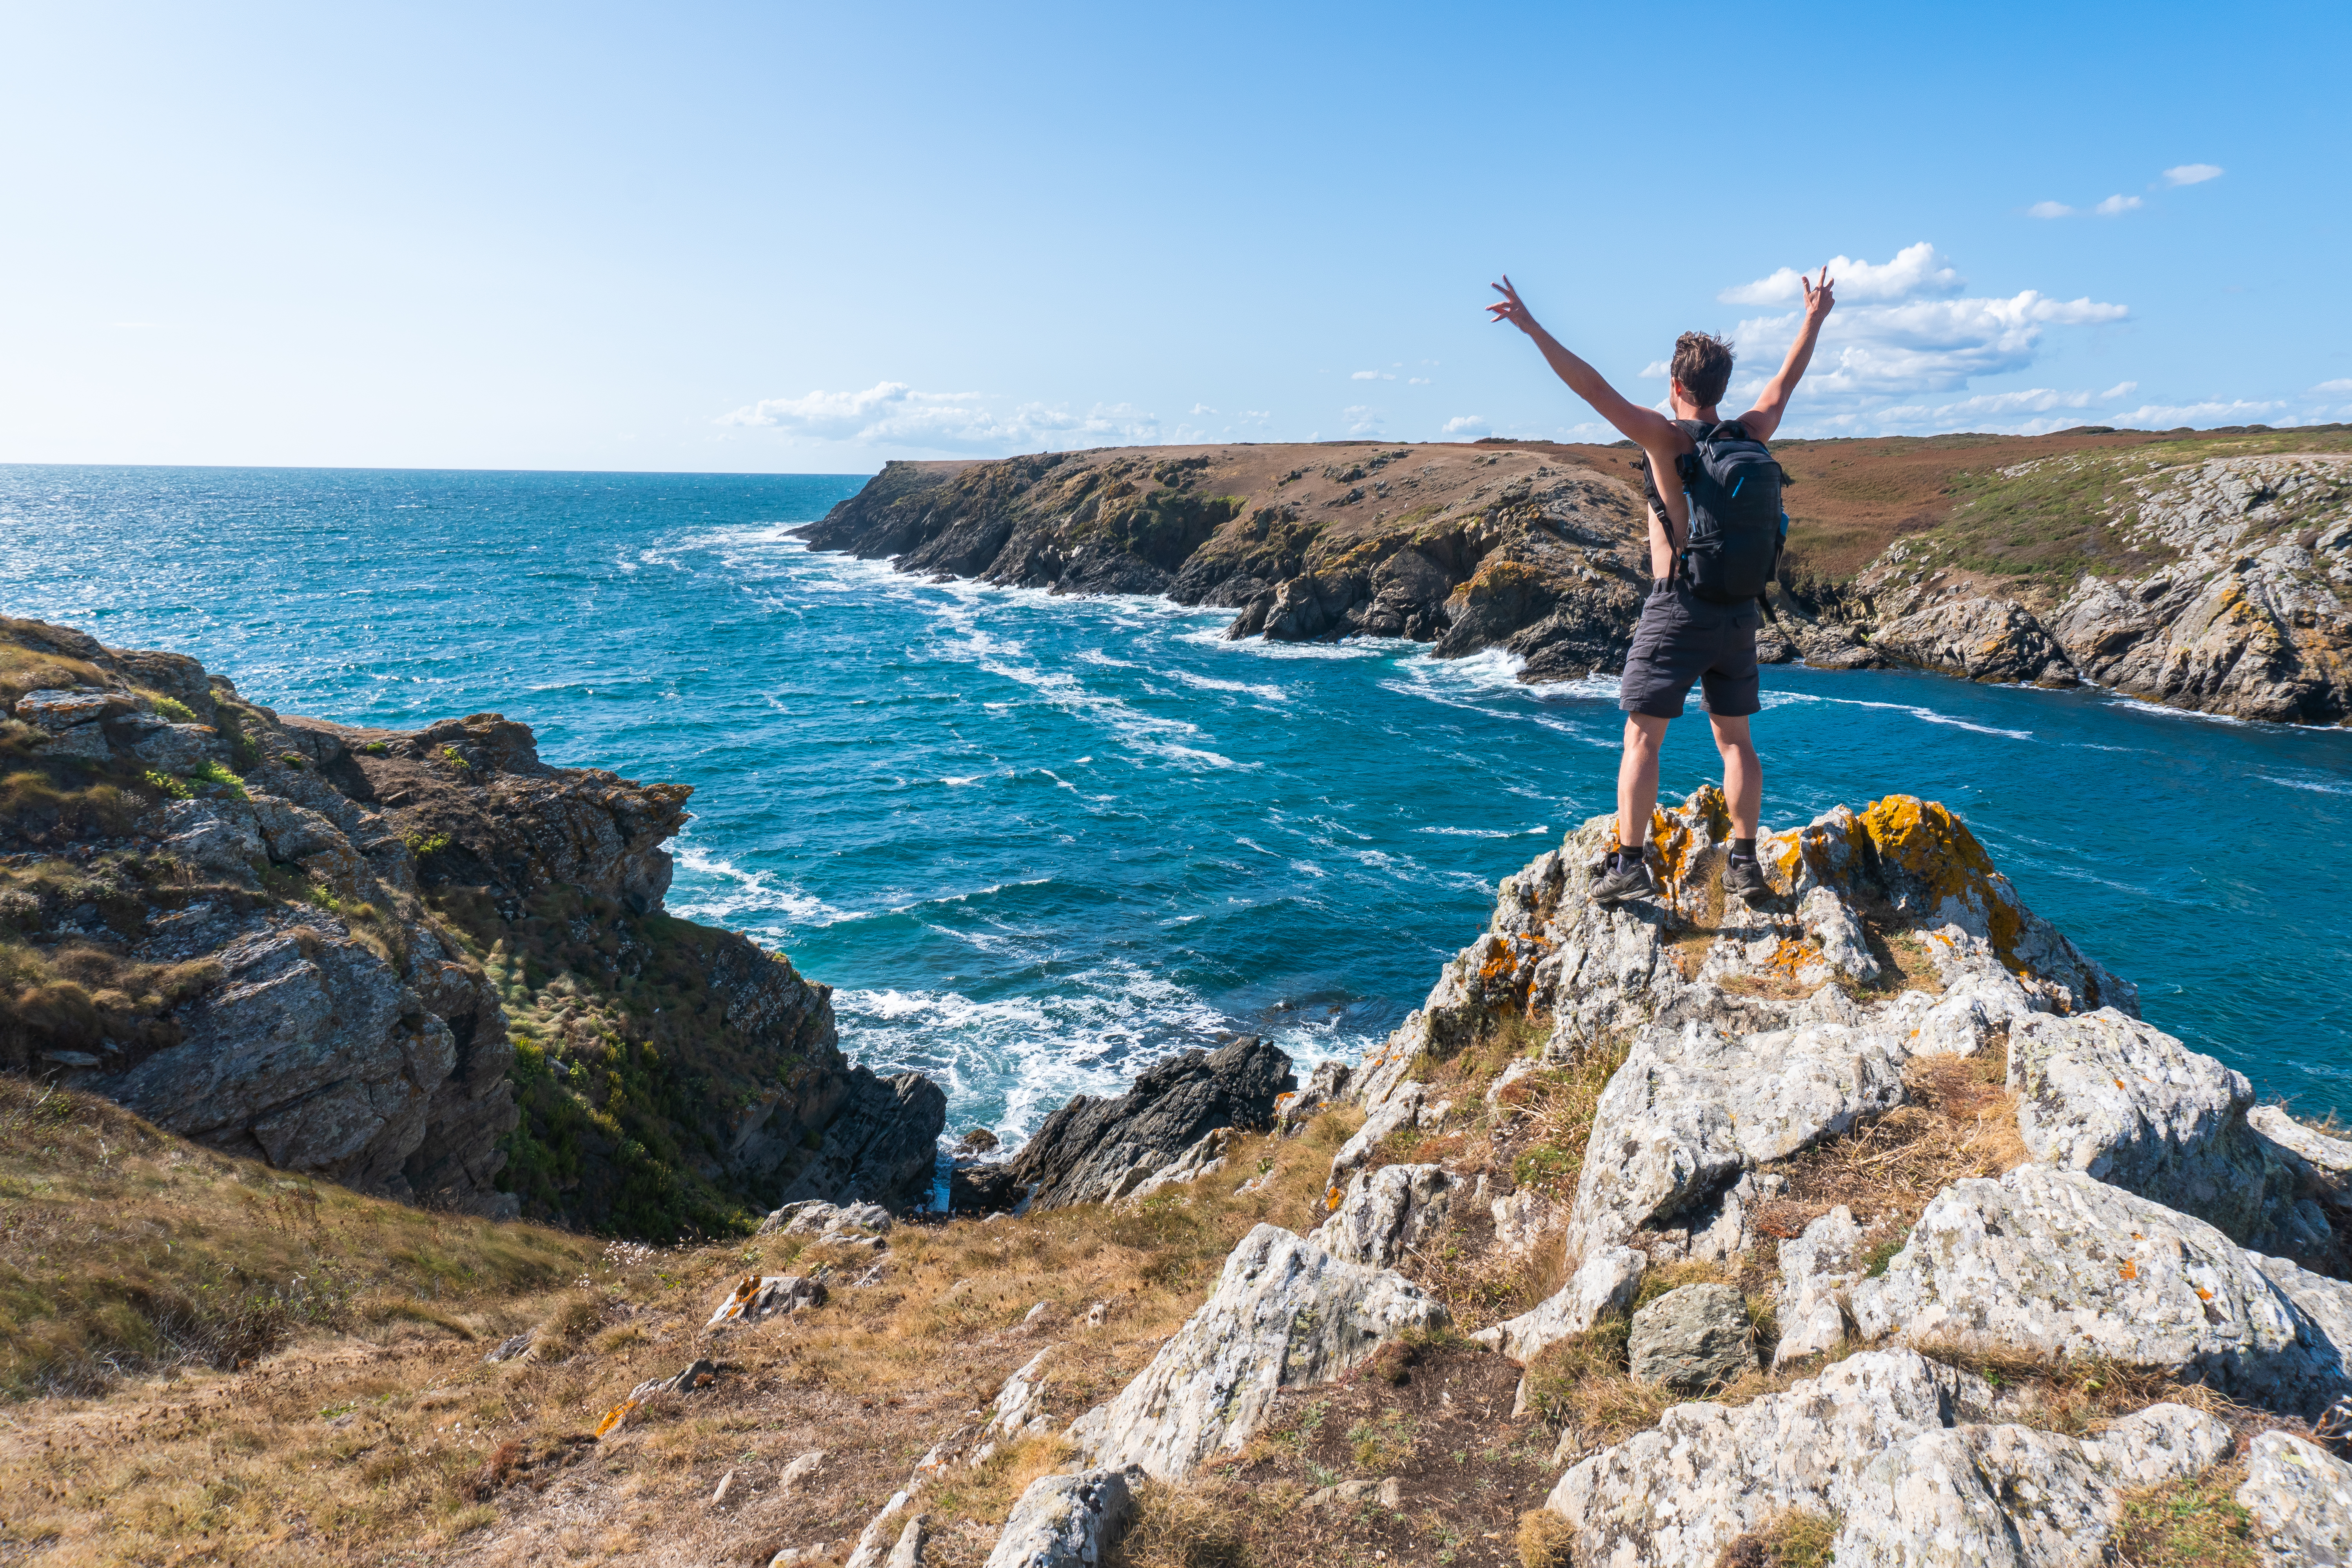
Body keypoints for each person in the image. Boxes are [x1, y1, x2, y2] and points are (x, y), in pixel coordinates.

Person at [1486, 268, 1835, 904]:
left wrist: (1534, 329)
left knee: (1643, 737)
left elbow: (1593, 390)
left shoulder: (1667, 440)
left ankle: (1628, 866)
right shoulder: (1751, 433)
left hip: (1678, 606)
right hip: (1739, 613)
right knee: (1736, 741)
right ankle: (1746, 863)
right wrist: (1813, 319)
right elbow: (1785, 384)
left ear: (1676, 385)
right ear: (1722, 387)